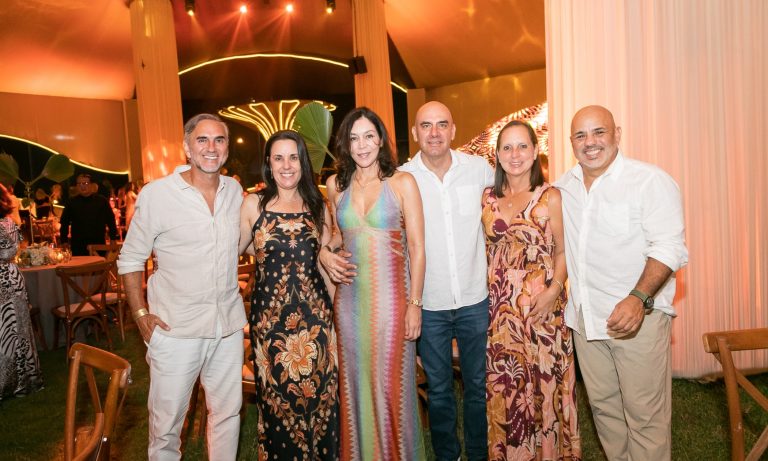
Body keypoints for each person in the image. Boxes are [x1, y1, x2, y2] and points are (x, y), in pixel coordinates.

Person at [556, 105, 688, 460]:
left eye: (599, 132)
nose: (590, 142)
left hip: (637, 320)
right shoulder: (563, 188)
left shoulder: (649, 181)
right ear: (571, 142)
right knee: (605, 413)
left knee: (645, 417)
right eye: (581, 135)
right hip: (586, 321)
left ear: (617, 134)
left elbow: (670, 247)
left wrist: (637, 298)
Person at [117, 113, 245, 460]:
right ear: (187, 147)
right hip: (176, 329)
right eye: (202, 140)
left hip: (227, 327)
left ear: (226, 149)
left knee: (227, 415)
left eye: (219, 139)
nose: (211, 147)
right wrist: (140, 313)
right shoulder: (158, 194)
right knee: (166, 427)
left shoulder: (234, 191)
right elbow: (130, 259)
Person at [321, 107, 426, 460]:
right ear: (345, 144)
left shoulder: (402, 182)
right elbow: (338, 235)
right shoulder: (336, 186)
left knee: (393, 387)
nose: (362, 145)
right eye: (354, 138)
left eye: (368, 136)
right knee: (355, 384)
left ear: (381, 140)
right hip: (350, 303)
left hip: (393, 302)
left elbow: (417, 247)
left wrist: (415, 304)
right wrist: (325, 252)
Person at [399, 101, 494, 461]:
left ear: (453, 130)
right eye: (426, 125)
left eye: (442, 124)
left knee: (478, 387)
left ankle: (479, 454)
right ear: (415, 133)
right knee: (438, 391)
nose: (435, 132)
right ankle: (448, 456)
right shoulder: (402, 178)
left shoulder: (479, 170)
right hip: (429, 303)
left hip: (475, 299)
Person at [482, 121, 580, 460]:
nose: (515, 154)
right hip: (500, 314)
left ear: (536, 151)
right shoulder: (487, 199)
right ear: (497, 155)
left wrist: (554, 291)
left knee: (543, 388)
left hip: (542, 310)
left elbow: (564, 251)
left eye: (522, 146)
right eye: (507, 147)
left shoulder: (551, 196)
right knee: (507, 388)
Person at [239, 130, 339, 459]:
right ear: (268, 164)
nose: (286, 165)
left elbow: (325, 264)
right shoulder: (254, 205)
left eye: (293, 157)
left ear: (302, 162)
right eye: (278, 158)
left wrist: (337, 322)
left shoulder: (317, 205)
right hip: (271, 327)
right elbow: (230, 252)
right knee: (278, 406)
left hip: (316, 322)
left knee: (322, 402)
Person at [0, 184, 43, 401]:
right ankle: (21, 378)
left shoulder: (4, 224)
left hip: (5, 279)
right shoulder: (9, 222)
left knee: (11, 330)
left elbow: (6, 251)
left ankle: (13, 382)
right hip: (10, 275)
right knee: (13, 328)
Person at [59, 173, 119, 255]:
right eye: (79, 184)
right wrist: (64, 241)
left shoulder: (101, 201)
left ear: (91, 185)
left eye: (85, 183)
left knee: (99, 263)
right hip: (78, 245)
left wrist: (113, 238)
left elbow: (110, 220)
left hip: (98, 243)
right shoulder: (71, 202)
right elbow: (64, 222)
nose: (82, 186)